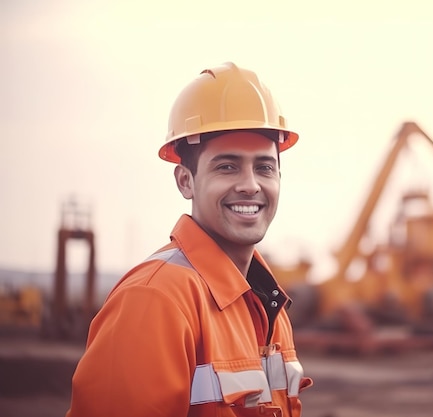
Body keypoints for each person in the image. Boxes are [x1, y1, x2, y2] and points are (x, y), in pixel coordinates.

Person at [66, 62, 313, 417]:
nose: (250, 184)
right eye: (227, 166)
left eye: (264, 167)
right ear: (185, 181)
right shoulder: (155, 300)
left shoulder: (265, 306)